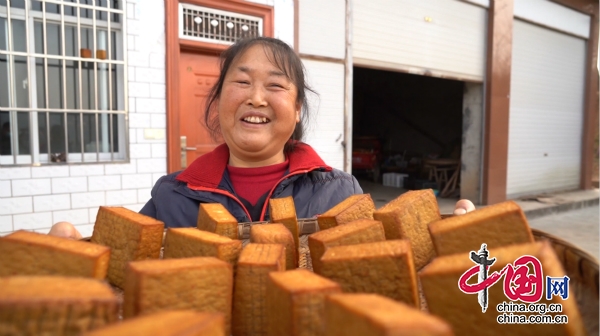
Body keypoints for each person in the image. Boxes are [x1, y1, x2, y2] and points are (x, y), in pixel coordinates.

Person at [49, 37, 475, 239]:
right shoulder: (172, 196)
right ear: (217, 101)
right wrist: (75, 253)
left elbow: (390, 261)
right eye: (241, 82)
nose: (256, 97)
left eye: (275, 85)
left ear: (298, 108)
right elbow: (124, 267)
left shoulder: (339, 192)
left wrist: (448, 238)